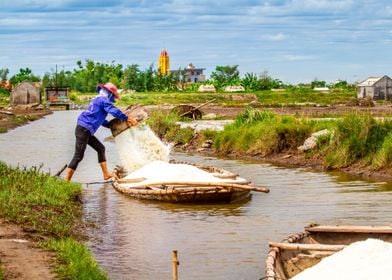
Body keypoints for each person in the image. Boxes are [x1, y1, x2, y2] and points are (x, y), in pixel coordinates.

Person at [64, 82, 138, 181]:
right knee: (78, 156)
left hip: (85, 130)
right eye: (114, 96)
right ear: (110, 93)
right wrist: (128, 118)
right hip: (84, 129)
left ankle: (106, 174)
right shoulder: (104, 100)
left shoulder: (97, 100)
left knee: (101, 149)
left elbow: (102, 121)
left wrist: (113, 126)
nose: (114, 99)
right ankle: (66, 180)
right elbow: (114, 111)